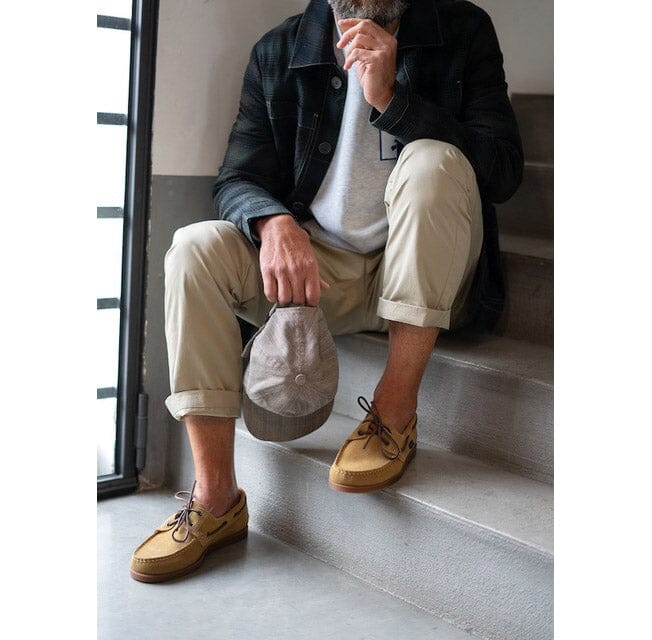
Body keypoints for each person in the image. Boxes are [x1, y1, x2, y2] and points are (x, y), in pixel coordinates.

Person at [129, 0, 523, 583]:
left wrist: (392, 100)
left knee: (433, 160)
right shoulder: (283, 49)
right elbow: (238, 176)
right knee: (194, 248)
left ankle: (394, 414)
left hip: (429, 265)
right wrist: (272, 222)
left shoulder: (461, 29)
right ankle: (216, 500)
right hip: (323, 272)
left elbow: (503, 170)